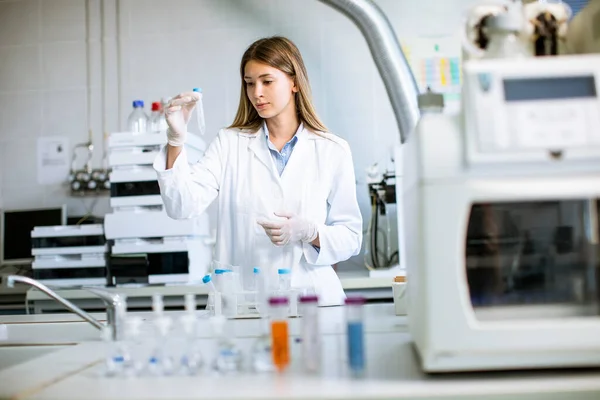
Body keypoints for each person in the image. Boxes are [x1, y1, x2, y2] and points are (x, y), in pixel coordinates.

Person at [153, 36, 362, 306]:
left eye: (267, 81)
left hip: (312, 300)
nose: (256, 93)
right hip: (244, 302)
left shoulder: (332, 149)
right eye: (249, 83)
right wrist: (175, 139)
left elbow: (351, 238)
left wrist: (310, 232)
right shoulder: (229, 143)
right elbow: (181, 206)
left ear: (294, 82)